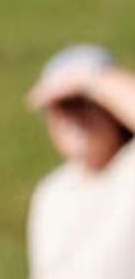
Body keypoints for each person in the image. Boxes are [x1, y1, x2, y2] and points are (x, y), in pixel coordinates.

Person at [26, 44, 135, 279]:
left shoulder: (129, 169)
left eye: (82, 103)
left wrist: (93, 80)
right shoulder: (52, 192)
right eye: (60, 107)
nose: (72, 119)